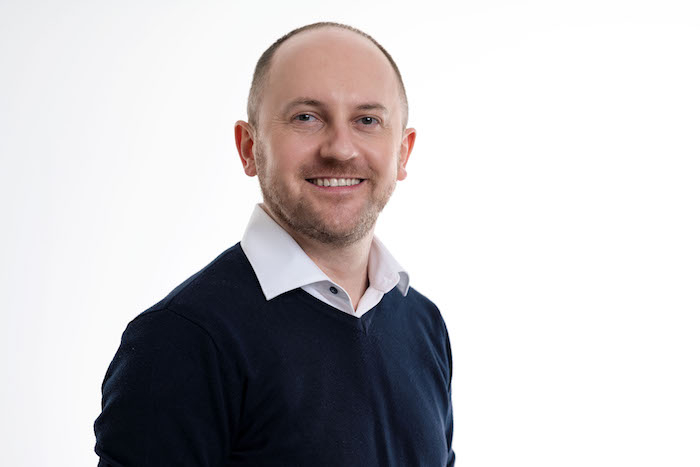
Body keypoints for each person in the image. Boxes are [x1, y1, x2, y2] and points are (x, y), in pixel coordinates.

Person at [94, 22, 455, 466]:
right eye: (306, 117)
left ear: (403, 152)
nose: (340, 149)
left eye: (367, 120)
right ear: (249, 147)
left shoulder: (423, 324)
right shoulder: (182, 339)